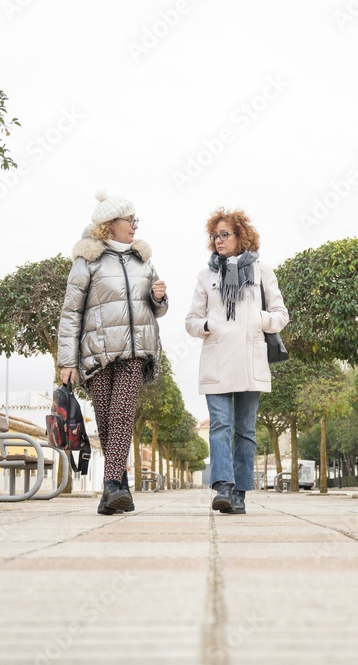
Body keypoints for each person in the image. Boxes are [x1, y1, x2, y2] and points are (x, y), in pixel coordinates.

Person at [58, 191, 168, 515]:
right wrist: (66, 361)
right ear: (110, 225)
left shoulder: (143, 260)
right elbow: (70, 312)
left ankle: (109, 487)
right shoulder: (87, 261)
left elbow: (156, 309)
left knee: (122, 413)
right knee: (106, 420)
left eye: (136, 220)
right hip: (98, 353)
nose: (135, 226)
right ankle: (120, 490)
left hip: (135, 350)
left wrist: (159, 298)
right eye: (129, 220)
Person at [185, 207, 289, 515]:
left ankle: (240, 492)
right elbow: (191, 320)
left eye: (224, 234)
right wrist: (207, 326)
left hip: (250, 357)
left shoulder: (262, 271)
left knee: (245, 429)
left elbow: (281, 315)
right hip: (216, 358)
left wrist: (258, 319)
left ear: (240, 235)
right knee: (220, 425)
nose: (218, 240)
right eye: (214, 235)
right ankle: (224, 489)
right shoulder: (206, 275)